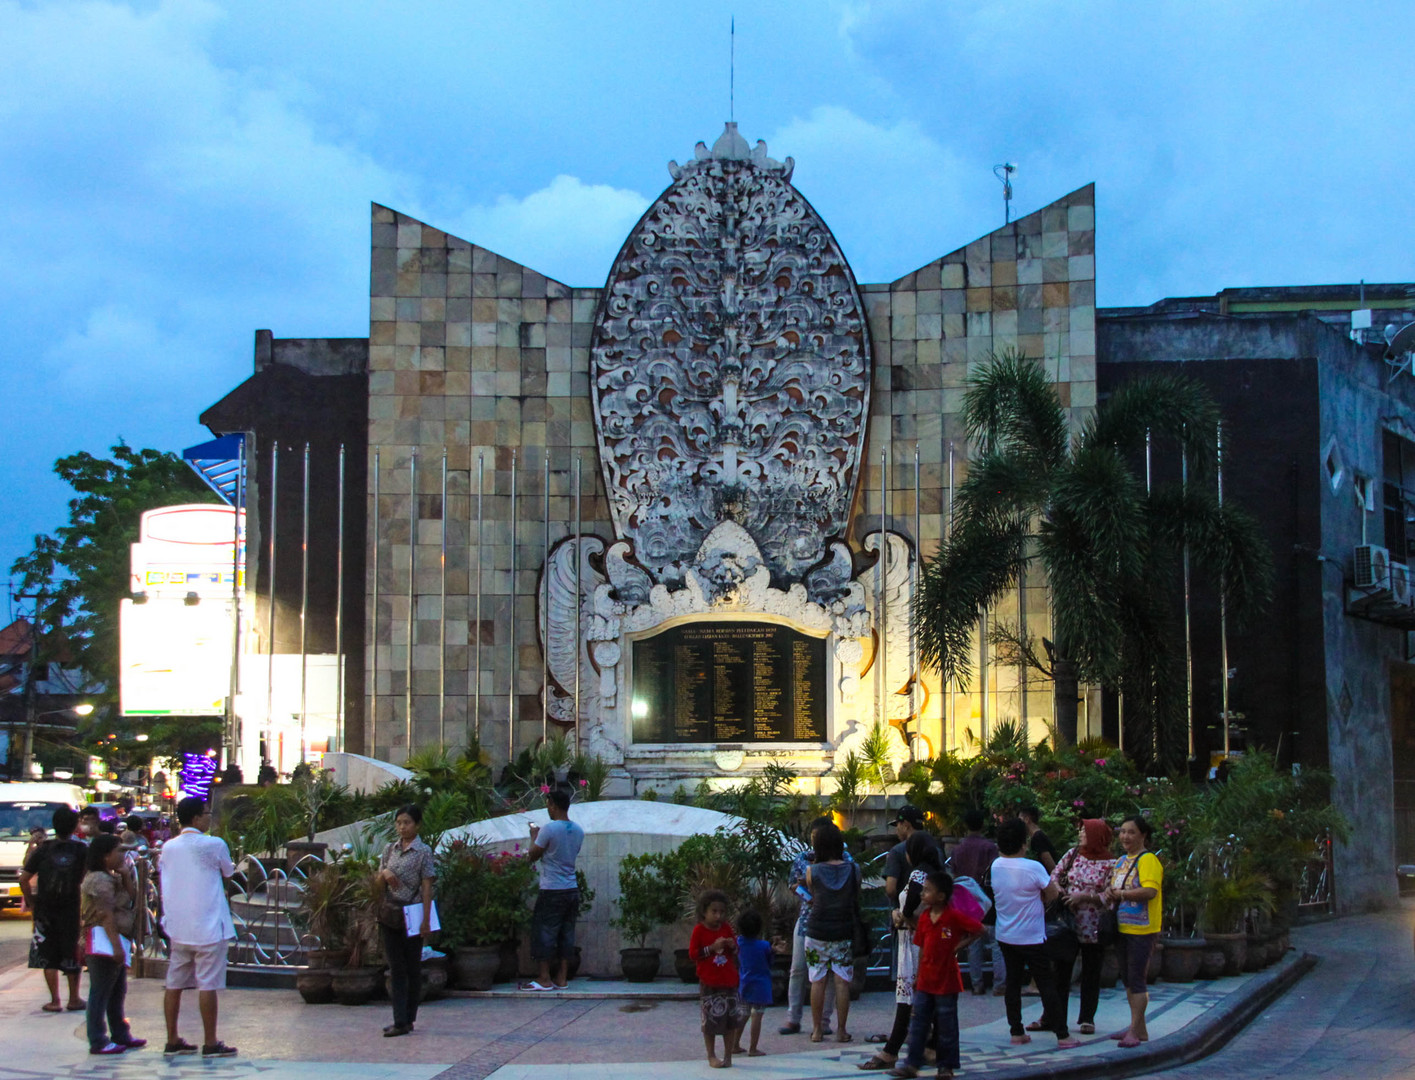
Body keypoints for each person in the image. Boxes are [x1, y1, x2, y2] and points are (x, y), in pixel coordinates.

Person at [859, 829, 946, 1071]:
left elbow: (910, 904)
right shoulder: (938, 872)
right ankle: (931, 1047)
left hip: (914, 942)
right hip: (926, 941)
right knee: (926, 997)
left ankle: (892, 1051)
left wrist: (901, 915)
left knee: (908, 996)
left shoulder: (919, 872)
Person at [991, 817, 1079, 1049]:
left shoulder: (996, 865)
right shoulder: (1033, 867)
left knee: (1013, 983)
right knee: (1046, 983)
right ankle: (1062, 1034)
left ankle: (1016, 1031)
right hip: (1031, 935)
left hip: (1005, 934)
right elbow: (1052, 894)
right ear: (1024, 843)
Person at [159, 796, 237, 1058]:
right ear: (195, 818)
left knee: (175, 983)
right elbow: (228, 871)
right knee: (207, 984)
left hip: (179, 926)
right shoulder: (213, 844)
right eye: (206, 813)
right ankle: (211, 1041)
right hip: (208, 925)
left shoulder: (169, 847)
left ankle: (172, 1038)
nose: (209, 817)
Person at [888, 871, 981, 1080]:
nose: (922, 894)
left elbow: (978, 929)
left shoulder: (953, 917)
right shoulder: (924, 919)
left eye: (928, 890)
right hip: (926, 980)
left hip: (947, 980)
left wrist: (958, 946)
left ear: (941, 896)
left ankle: (946, 1066)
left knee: (947, 1024)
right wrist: (918, 975)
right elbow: (920, 947)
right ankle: (912, 1064)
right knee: (919, 1023)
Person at [780, 815, 846, 1036]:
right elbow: (792, 884)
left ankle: (823, 1022)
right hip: (808, 918)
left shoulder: (844, 859)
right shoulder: (803, 858)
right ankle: (793, 1018)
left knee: (827, 974)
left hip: (833, 921)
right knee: (798, 968)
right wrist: (807, 895)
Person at [1102, 815, 1163, 1049]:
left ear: (1143, 835)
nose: (1125, 836)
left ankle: (1134, 1030)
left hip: (1142, 928)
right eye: (1123, 832)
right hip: (1122, 926)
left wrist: (1123, 895)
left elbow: (1150, 891)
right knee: (1128, 978)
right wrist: (1110, 893)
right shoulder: (1121, 861)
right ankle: (1138, 1028)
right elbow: (1114, 887)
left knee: (1137, 979)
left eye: (1131, 832)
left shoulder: (1147, 860)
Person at [80, 834, 144, 1055]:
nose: (122, 855)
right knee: (101, 992)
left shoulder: (111, 877)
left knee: (117, 990)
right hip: (103, 941)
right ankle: (98, 1039)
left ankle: (120, 1033)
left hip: (116, 939)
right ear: (106, 855)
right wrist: (116, 945)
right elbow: (105, 914)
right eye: (118, 851)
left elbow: (132, 897)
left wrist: (126, 876)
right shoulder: (98, 880)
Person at [20, 805, 87, 1013]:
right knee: (71, 951)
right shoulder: (82, 849)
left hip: (45, 910)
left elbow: (24, 879)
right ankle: (74, 998)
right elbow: (87, 878)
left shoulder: (43, 849)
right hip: (72, 908)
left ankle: (54, 1000)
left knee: (48, 954)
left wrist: (31, 902)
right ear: (75, 825)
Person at [376, 804, 434, 1037]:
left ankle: (408, 1018)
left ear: (417, 825)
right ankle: (399, 1019)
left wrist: (426, 920)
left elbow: (427, 886)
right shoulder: (390, 849)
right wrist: (385, 873)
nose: (402, 827)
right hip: (390, 912)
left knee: (412, 967)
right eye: (399, 822)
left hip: (413, 912)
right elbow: (378, 878)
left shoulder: (423, 852)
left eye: (407, 822)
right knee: (396, 967)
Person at [804, 821, 861, 1044]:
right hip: (843, 930)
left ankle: (817, 1030)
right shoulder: (853, 869)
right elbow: (856, 895)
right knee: (842, 981)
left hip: (816, 930)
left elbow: (812, 894)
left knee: (817, 981)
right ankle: (842, 1030)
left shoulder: (812, 871)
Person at [523, 788, 585, 991]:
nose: (547, 809)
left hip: (552, 889)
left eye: (548, 805)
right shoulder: (578, 830)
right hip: (571, 888)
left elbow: (533, 855)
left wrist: (534, 835)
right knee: (567, 933)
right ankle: (562, 978)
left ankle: (544, 978)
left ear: (554, 806)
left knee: (545, 932)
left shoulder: (549, 829)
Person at [948, 809, 1003, 996]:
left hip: (966, 898)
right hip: (987, 896)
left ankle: (976, 983)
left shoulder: (958, 849)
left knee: (973, 943)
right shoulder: (989, 847)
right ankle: (999, 984)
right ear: (982, 825)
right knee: (995, 941)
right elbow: (995, 872)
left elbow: (954, 874)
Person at [690, 889, 745, 1069]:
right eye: (714, 911)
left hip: (729, 982)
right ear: (704, 912)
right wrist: (712, 948)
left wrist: (731, 945)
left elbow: (737, 949)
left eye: (721, 912)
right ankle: (711, 1055)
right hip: (710, 983)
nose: (718, 915)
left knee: (730, 1021)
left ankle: (728, 1055)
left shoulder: (726, 928)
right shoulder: (699, 930)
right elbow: (693, 954)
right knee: (711, 1021)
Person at [731, 908, 772, 1058]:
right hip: (761, 986)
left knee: (743, 1015)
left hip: (744, 984)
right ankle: (753, 1048)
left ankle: (734, 1044)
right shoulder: (764, 945)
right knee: (757, 1016)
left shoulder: (738, 943)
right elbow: (769, 961)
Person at [884, 806, 939, 904]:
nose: (896, 830)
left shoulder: (896, 851)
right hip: (934, 911)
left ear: (905, 825)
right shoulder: (937, 848)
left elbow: (890, 889)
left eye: (897, 825)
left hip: (904, 914)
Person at [1018, 806, 1057, 873]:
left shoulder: (1038, 837)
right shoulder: (1035, 836)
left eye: (1020, 819)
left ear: (1027, 819)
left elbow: (1051, 865)